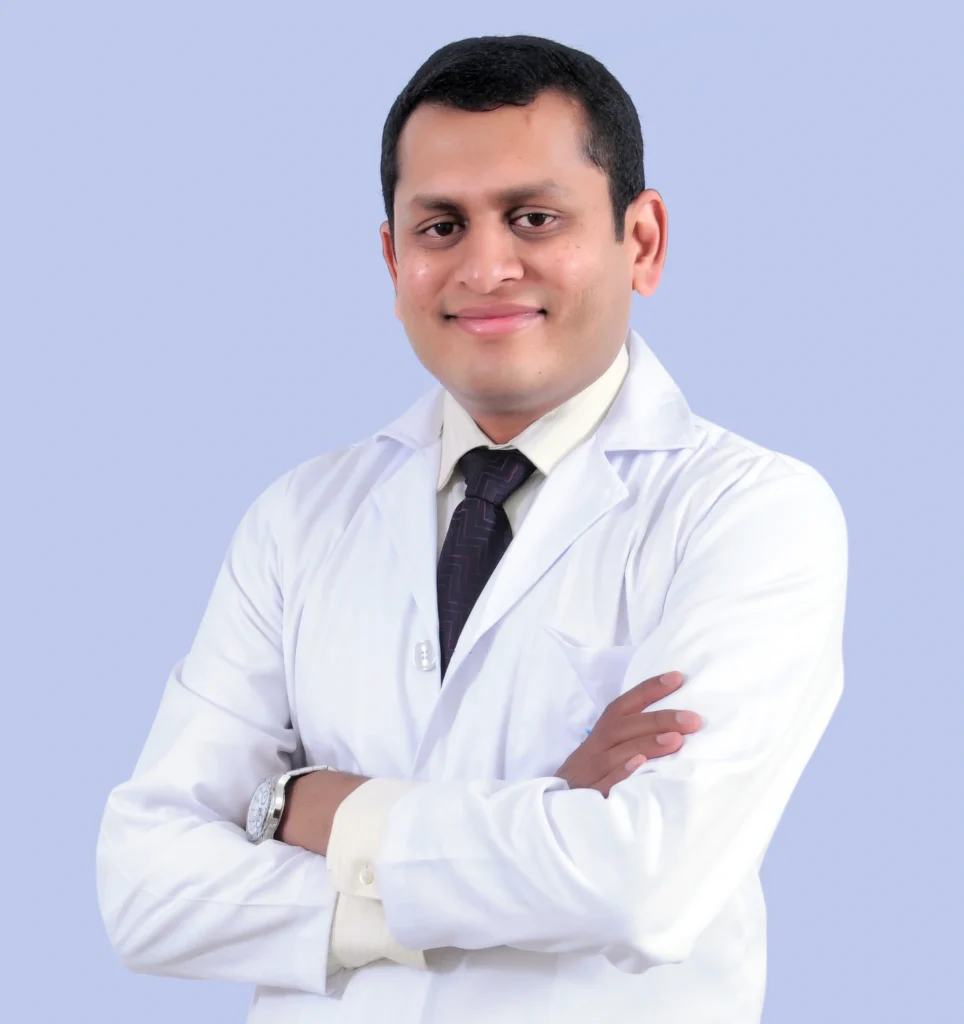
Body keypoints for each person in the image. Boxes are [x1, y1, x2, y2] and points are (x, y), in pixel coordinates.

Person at [96, 34, 848, 1024]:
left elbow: (642, 883)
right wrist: (545, 814)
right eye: (441, 225)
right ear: (392, 257)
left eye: (534, 217)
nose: (486, 267)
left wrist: (307, 809)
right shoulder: (298, 518)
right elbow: (146, 890)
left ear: (642, 241)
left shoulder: (750, 512)